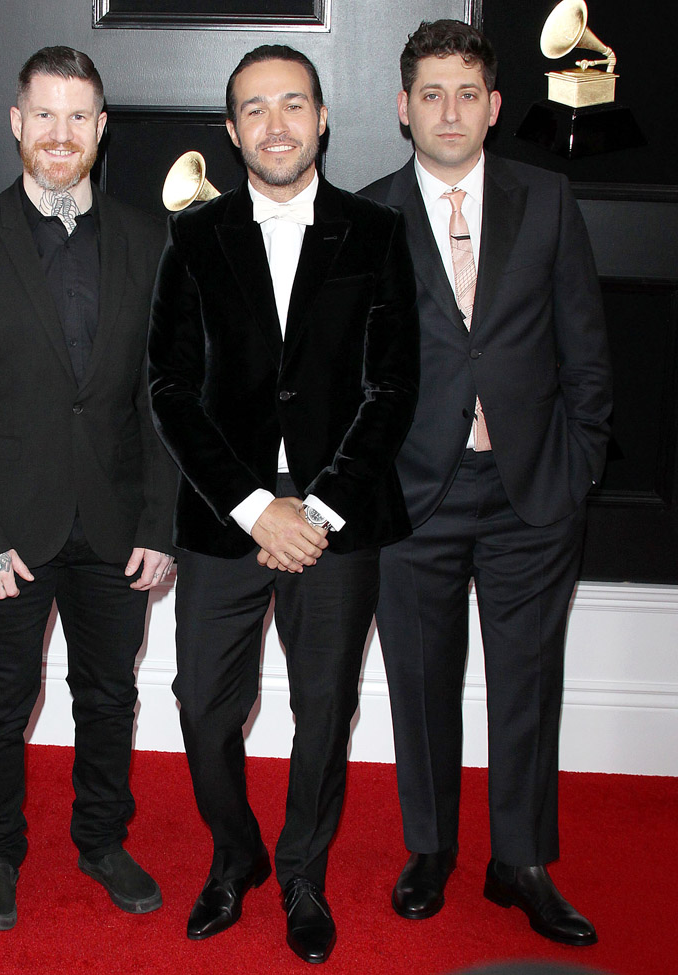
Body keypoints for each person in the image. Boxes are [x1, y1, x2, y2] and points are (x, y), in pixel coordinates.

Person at [148, 44, 419, 965]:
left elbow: (393, 389)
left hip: (339, 522)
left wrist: (321, 509)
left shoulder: (377, 233)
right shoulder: (193, 238)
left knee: (323, 706)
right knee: (200, 707)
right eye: (254, 109)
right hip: (228, 517)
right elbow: (171, 390)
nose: (275, 124)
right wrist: (257, 505)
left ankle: (304, 870)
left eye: (293, 104)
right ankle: (238, 856)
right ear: (231, 132)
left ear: (323, 118)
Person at [361, 20, 611, 946]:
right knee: (420, 681)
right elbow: (350, 371)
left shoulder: (546, 200)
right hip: (413, 496)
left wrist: (577, 464)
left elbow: (586, 349)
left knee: (526, 683)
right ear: (403, 108)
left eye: (468, 92)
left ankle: (522, 860)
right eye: (431, 93)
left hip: (532, 493)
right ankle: (430, 848)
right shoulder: (369, 212)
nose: (450, 110)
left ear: (495, 105)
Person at [0, 46, 177, 932]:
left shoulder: (150, 239)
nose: (61, 134)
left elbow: (163, 394)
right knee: (0, 698)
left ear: (101, 130)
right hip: (8, 530)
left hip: (116, 524)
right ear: (16, 123)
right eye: (46, 115)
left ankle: (102, 839)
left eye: (80, 117)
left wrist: (161, 520)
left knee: (109, 694)